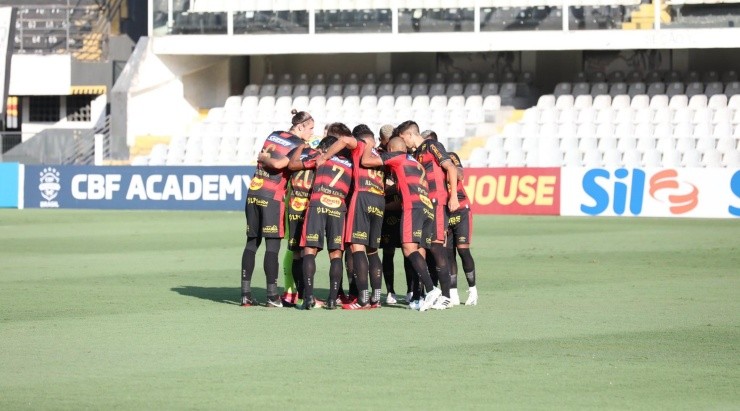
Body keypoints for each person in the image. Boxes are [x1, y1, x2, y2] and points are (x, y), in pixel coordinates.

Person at [241, 109, 314, 307]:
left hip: (254, 190)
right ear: (300, 126)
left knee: (251, 243)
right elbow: (281, 164)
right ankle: (272, 296)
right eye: (310, 128)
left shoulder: (274, 134)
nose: (312, 133)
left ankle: (245, 294)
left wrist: (262, 158)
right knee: (272, 247)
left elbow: (267, 155)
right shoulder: (298, 143)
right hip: (272, 195)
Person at [360, 136, 442, 312]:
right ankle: (418, 297)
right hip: (427, 207)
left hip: (413, 207)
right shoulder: (416, 163)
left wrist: (369, 145)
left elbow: (366, 161)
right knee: (419, 251)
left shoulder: (396, 156)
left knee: (408, 249)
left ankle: (431, 289)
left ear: (391, 149)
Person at [321, 124, 386, 309]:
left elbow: (343, 140)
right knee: (373, 251)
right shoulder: (380, 154)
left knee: (357, 247)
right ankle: (376, 298)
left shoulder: (360, 145)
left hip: (362, 196)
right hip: (379, 199)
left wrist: (324, 157)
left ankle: (362, 298)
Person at [397, 121, 459, 310]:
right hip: (424, 204)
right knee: (422, 248)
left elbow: (451, 168)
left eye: (403, 139)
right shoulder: (415, 154)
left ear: (409, 135)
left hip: (437, 201)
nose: (403, 143)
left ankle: (447, 296)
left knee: (437, 247)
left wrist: (453, 196)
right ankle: (422, 294)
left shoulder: (432, 145)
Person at [296, 123, 354, 310]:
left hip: (318, 202)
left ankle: (308, 297)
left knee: (309, 250)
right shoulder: (350, 163)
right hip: (338, 206)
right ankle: (332, 299)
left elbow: (294, 164)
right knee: (336, 254)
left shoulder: (320, 157)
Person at [447, 151, 478, 306]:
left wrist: (446, 170)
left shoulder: (450, 156)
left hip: (461, 209)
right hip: (444, 211)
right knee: (448, 253)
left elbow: (460, 174)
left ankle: (473, 290)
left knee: (463, 250)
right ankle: (453, 293)